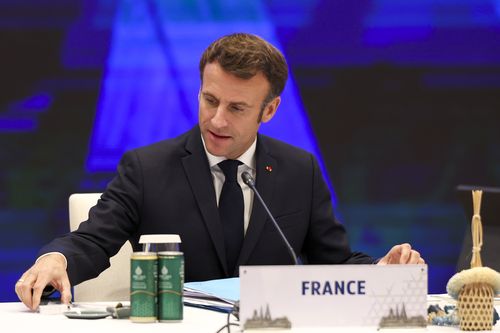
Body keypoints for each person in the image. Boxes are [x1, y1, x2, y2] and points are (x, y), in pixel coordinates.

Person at [15, 33, 424, 310]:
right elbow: (92, 239)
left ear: (270, 110)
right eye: (210, 100)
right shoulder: (147, 168)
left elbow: (331, 264)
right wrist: (56, 260)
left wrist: (378, 273)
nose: (217, 120)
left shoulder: (299, 170)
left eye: (237, 108)